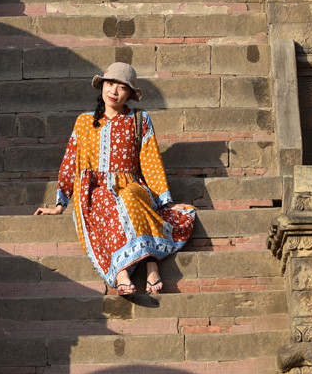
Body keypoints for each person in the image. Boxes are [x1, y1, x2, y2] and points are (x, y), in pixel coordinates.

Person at [35, 63, 196, 296]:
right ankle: (121, 272)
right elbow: (71, 161)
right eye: (110, 84)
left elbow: (151, 163)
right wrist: (61, 204)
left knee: (130, 197)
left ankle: (151, 265)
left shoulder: (140, 120)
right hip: (95, 188)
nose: (114, 91)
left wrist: (166, 201)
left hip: (131, 184)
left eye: (122, 87)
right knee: (105, 200)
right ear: (102, 86)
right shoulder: (83, 122)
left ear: (130, 94)